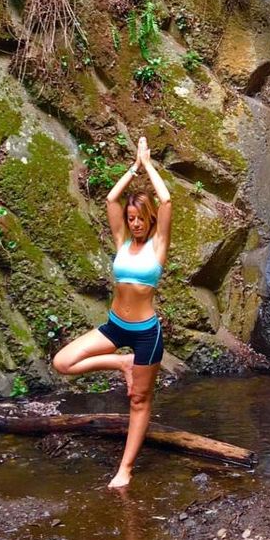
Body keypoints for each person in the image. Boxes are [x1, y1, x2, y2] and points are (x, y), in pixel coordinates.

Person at [52, 135, 172, 488]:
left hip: (147, 334)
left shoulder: (158, 246)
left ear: (149, 220)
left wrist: (148, 166)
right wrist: (132, 167)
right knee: (63, 363)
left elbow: (166, 199)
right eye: (131, 218)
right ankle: (122, 363)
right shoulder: (121, 242)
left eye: (139, 218)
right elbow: (110, 199)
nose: (134, 223)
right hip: (114, 327)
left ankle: (126, 469)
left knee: (138, 399)